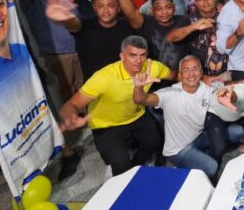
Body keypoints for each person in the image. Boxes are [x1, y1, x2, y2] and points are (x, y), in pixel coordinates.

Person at [58, 36, 176, 175]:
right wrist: (70, 117)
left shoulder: (153, 67)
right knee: (121, 165)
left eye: (142, 55)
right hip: (106, 124)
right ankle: (122, 171)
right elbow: (71, 104)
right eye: (132, 55)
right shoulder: (104, 77)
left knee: (154, 141)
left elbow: (175, 76)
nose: (138, 60)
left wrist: (192, 78)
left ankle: (136, 165)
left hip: (135, 115)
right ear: (122, 56)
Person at [131, 55, 218, 178]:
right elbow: (141, 100)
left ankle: (198, 157)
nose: (191, 74)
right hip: (178, 150)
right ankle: (182, 168)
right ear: (180, 75)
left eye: (195, 68)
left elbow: (225, 89)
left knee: (236, 131)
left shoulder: (207, 88)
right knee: (212, 167)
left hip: (198, 137)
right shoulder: (169, 94)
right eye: (186, 70)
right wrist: (139, 87)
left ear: (201, 72)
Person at [108, 0, 191, 70]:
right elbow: (131, 13)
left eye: (168, 7)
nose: (164, 12)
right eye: (159, 8)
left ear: (174, 8)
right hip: (152, 75)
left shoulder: (184, 21)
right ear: (151, 10)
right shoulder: (145, 22)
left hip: (182, 75)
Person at [46, 0, 137, 78]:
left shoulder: (128, 26)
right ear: (94, 7)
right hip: (93, 84)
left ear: (119, 8)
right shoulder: (85, 24)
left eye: (111, 5)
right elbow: (74, 24)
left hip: (124, 81)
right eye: (101, 6)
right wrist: (66, 19)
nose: (106, 10)